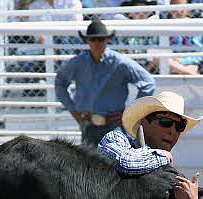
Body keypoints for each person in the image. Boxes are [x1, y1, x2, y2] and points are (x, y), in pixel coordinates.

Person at [55, 17, 155, 147]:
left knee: (114, 164)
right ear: (87, 40)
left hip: (114, 126)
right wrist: (74, 111)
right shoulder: (78, 63)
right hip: (88, 125)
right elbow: (60, 82)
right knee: (88, 166)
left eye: (101, 39)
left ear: (107, 40)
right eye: (93, 39)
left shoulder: (120, 63)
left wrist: (130, 113)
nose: (97, 43)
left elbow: (148, 82)